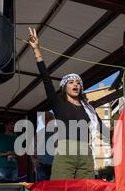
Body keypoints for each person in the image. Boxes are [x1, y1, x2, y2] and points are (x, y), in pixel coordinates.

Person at [28, 28, 110, 180]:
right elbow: (46, 79)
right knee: (62, 190)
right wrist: (37, 50)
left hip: (86, 152)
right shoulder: (58, 103)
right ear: (64, 87)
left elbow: (103, 129)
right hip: (66, 151)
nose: (75, 84)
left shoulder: (88, 109)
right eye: (71, 82)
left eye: (78, 82)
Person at [33, 111, 55, 181]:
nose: (48, 120)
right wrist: (34, 161)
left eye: (50, 118)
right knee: (41, 188)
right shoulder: (38, 134)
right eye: (46, 119)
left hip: (56, 165)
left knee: (55, 187)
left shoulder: (59, 131)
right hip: (41, 165)